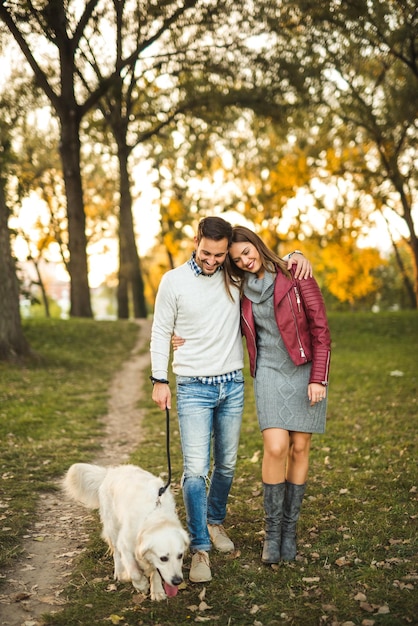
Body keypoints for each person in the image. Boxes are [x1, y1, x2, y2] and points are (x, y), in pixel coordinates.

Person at [150, 216, 311, 583]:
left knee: (226, 466)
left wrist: (296, 254)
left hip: (232, 384)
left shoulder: (233, 276)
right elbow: (161, 331)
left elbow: (264, 265)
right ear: (196, 241)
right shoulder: (173, 281)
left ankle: (215, 520)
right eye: (206, 253)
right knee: (195, 471)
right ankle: (200, 548)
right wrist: (159, 378)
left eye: (219, 255)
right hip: (192, 385)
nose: (212, 260)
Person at [226, 225, 331, 564]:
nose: (244, 260)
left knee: (300, 448)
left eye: (246, 251)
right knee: (276, 446)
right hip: (269, 371)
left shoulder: (296, 272)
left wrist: (319, 379)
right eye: (237, 258)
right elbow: (201, 273)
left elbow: (321, 330)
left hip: (305, 370)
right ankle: (272, 534)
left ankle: (289, 531)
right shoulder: (240, 288)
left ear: (257, 244)